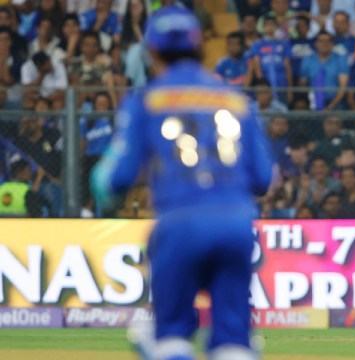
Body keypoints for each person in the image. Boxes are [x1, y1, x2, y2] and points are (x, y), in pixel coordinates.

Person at [91, 6, 273, 360]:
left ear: (152, 51)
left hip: (179, 223)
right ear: (202, 46)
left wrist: (103, 179)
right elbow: (264, 178)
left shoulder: (147, 100)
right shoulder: (235, 100)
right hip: (236, 225)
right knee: (234, 343)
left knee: (170, 337)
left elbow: (116, 179)